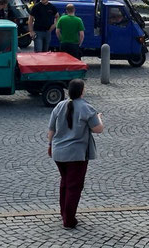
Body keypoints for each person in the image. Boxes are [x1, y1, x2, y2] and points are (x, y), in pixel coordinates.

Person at [47, 79, 104, 229]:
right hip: (76, 154)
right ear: (82, 91)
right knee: (74, 186)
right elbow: (98, 129)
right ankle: (69, 219)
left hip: (58, 152)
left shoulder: (59, 106)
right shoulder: (86, 108)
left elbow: (51, 129)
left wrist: (50, 145)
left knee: (65, 182)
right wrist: (99, 118)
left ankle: (64, 213)